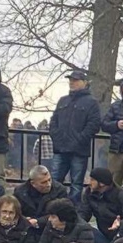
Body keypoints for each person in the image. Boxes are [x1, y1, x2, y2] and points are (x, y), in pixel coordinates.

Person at [48, 69, 103, 200]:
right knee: (54, 182)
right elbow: (53, 121)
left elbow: (94, 125)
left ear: (85, 82)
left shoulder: (91, 102)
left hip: (79, 150)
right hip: (60, 149)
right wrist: (56, 137)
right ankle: (52, 206)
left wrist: (79, 140)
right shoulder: (63, 100)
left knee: (76, 184)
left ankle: (73, 209)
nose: (72, 83)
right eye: (71, 80)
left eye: (75, 80)